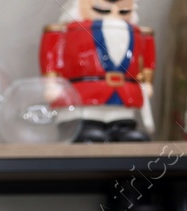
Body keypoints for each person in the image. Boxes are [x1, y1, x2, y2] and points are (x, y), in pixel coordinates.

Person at [41, 0, 156, 142]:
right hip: (84, 97)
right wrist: (51, 83)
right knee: (89, 131)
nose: (113, 13)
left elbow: (146, 60)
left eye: (123, 11)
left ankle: (120, 128)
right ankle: (85, 128)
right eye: (102, 9)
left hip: (124, 96)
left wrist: (147, 82)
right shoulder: (66, 32)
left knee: (126, 129)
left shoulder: (138, 33)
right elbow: (51, 56)